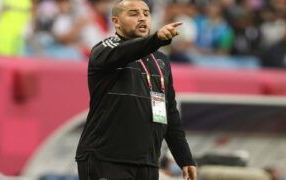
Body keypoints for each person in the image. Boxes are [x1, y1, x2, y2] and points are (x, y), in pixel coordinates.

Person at [75, 0, 197, 180]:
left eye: (146, 14)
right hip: (106, 159)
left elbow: (169, 113)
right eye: (133, 14)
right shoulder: (104, 49)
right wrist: (156, 39)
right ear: (116, 21)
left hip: (147, 162)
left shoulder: (161, 60)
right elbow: (127, 51)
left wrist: (185, 158)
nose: (142, 18)